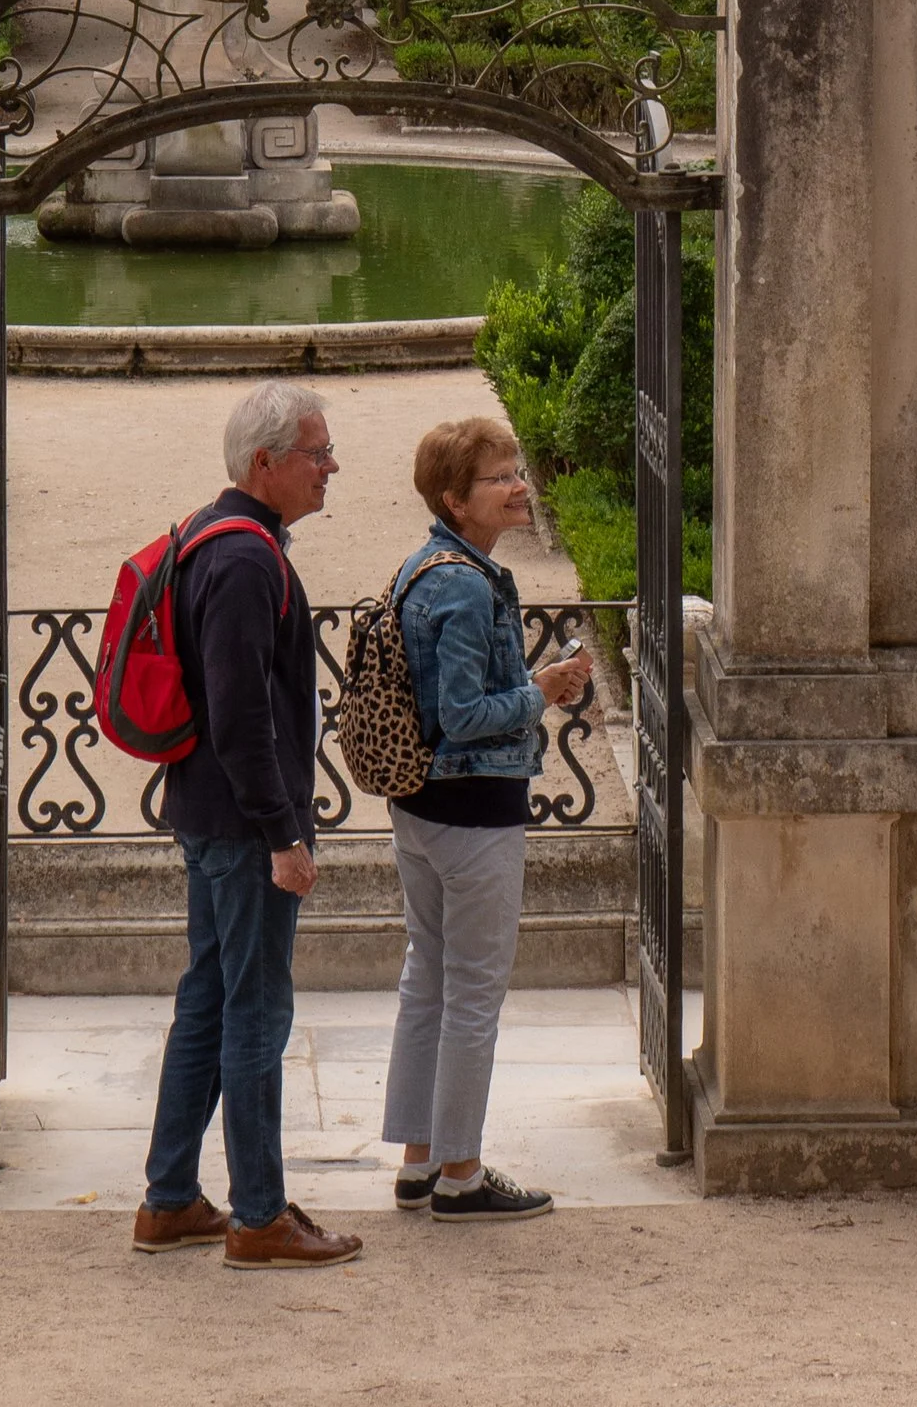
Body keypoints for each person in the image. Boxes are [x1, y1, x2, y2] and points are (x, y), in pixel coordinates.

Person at [133, 378, 364, 1269]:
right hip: (240, 825)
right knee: (256, 1012)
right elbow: (241, 719)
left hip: (208, 811)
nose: (331, 464)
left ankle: (169, 1199)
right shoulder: (245, 560)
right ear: (265, 463)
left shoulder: (215, 536)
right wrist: (283, 834)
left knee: (207, 1001)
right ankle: (259, 1215)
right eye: (317, 451)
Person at [381, 415, 592, 1223]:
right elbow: (464, 714)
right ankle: (462, 1173)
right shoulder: (466, 583)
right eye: (498, 476)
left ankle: (419, 1161)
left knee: (427, 979)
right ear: (453, 498)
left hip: (422, 807)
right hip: (474, 813)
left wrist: (535, 681)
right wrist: (542, 691)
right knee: (471, 992)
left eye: (515, 469)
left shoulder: (426, 565)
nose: (518, 484)